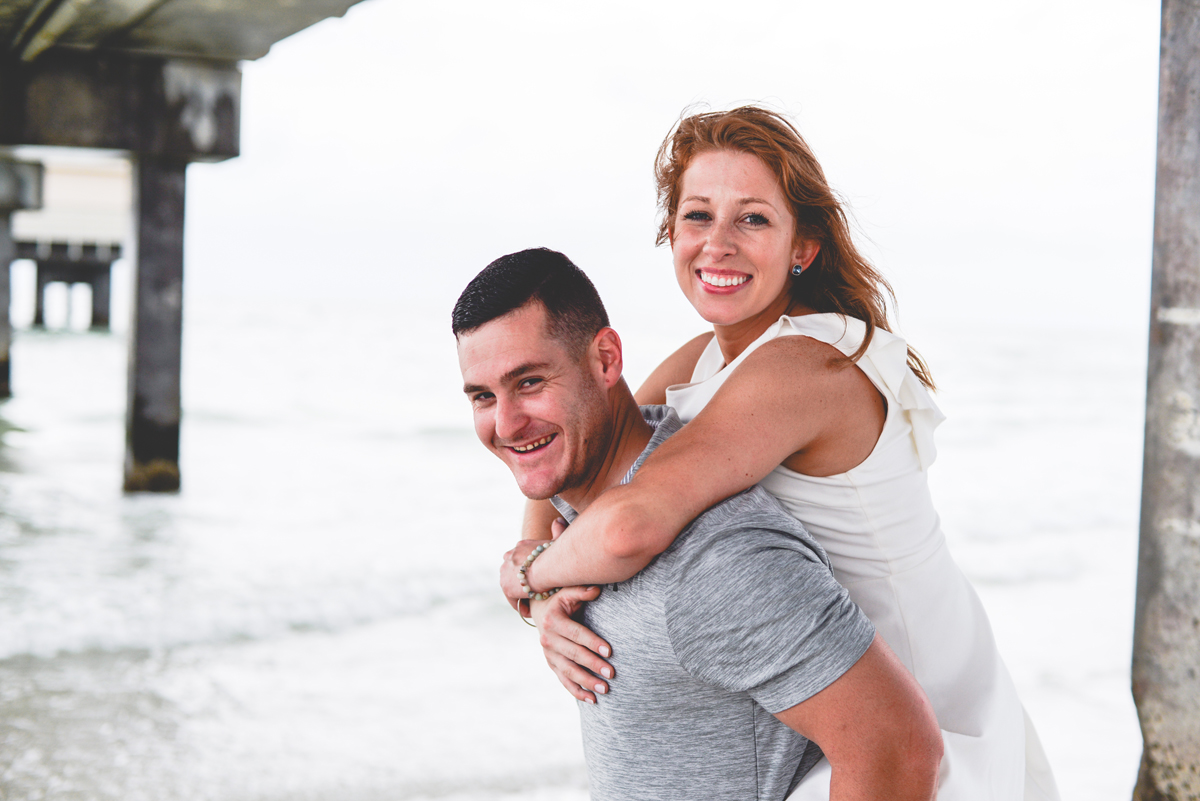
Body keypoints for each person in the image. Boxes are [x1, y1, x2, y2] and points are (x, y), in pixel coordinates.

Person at [499, 107, 1060, 800]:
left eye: (753, 219)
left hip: (917, 704)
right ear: (669, 232)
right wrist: (546, 596)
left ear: (803, 248)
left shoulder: (803, 362)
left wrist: (526, 576)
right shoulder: (707, 357)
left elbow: (628, 523)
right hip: (838, 680)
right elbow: (570, 459)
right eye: (698, 216)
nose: (719, 243)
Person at [453, 248, 942, 800]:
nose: (507, 423)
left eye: (530, 383)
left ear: (606, 360)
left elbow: (898, 747)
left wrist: (533, 572)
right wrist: (534, 590)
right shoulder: (575, 518)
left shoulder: (715, 561)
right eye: (482, 397)